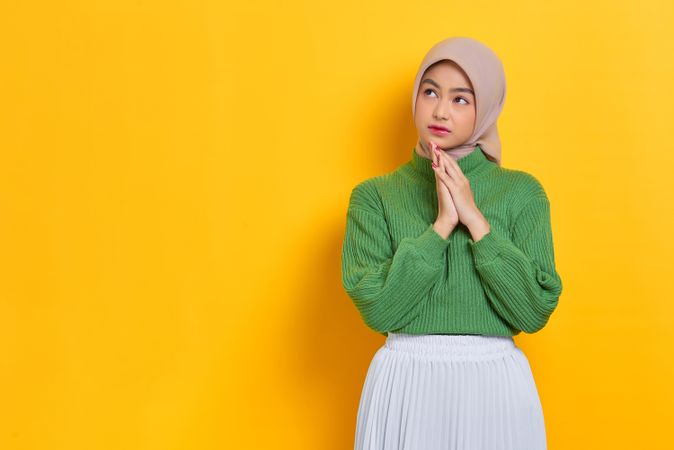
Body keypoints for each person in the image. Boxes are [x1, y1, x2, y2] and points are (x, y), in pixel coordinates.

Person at [340, 36, 563, 450]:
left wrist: (476, 221)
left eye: (461, 99)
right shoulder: (375, 197)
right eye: (430, 92)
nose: (440, 111)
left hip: (494, 387)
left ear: (487, 108)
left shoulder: (521, 193)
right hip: (405, 384)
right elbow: (380, 309)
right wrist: (442, 224)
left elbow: (533, 311)